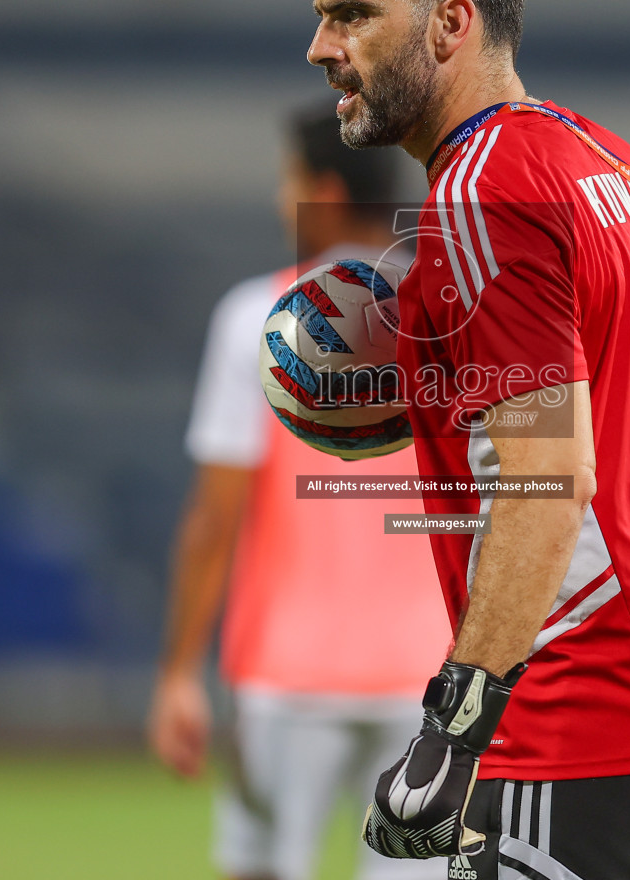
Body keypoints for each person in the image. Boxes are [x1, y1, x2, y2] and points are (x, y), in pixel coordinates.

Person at [304, 0, 630, 880]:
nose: (321, 46)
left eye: (353, 15)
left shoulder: (480, 195)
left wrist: (449, 731)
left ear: (453, 23)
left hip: (577, 721)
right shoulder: (623, 165)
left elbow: (547, 483)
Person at [148, 107, 453, 880]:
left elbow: (214, 519)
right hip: (427, 678)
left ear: (318, 190)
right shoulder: (451, 317)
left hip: (286, 673)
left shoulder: (257, 320)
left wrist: (180, 671)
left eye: (287, 181)